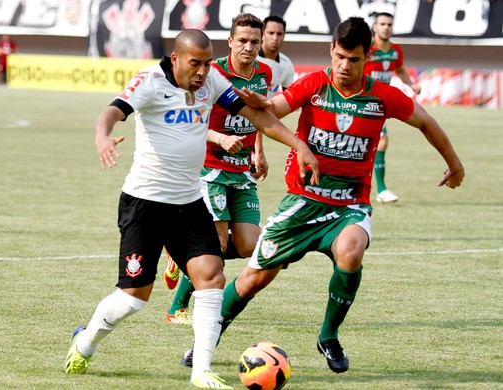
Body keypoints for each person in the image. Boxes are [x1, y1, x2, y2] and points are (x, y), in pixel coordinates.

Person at [180, 16, 464, 374]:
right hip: (302, 202)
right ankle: (208, 336)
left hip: (349, 205)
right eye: (339, 56)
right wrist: (258, 103)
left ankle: (328, 336)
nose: (344, 66)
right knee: (255, 279)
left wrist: (454, 164)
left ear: (367, 57)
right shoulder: (313, 85)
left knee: (351, 250)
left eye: (354, 59)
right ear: (331, 50)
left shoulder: (382, 97)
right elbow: (275, 109)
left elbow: (426, 121)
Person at [63, 29, 319, 389]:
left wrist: (299, 145)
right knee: (134, 299)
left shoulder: (212, 80)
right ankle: (85, 342)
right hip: (145, 204)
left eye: (207, 63)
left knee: (212, 277)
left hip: (189, 202)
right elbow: (110, 112)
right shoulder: (150, 82)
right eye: (195, 64)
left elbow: (259, 118)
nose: (202, 72)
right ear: (176, 60)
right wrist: (102, 136)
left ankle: (201, 371)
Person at [164, 13, 272, 325]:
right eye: (242, 41)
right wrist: (220, 138)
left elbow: (259, 114)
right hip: (210, 168)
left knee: (250, 245)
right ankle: (177, 307)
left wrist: (259, 151)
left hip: (243, 172)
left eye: (254, 41)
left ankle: (181, 254)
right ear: (230, 42)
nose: (249, 47)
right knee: (217, 245)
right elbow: (189, 119)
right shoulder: (213, 73)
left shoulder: (264, 73)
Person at [364, 12, 421, 203]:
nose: (386, 27)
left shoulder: (396, 50)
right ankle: (380, 190)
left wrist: (411, 84)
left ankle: (378, 190)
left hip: (382, 103)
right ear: (375, 27)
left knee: (376, 142)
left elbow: (400, 70)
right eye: (382, 24)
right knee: (380, 141)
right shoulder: (367, 49)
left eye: (389, 24)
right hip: (364, 101)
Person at [256, 15, 295, 98]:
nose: (275, 38)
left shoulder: (286, 64)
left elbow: (289, 98)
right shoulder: (250, 57)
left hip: (266, 110)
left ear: (284, 36)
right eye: (271, 33)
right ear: (262, 34)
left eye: (279, 34)